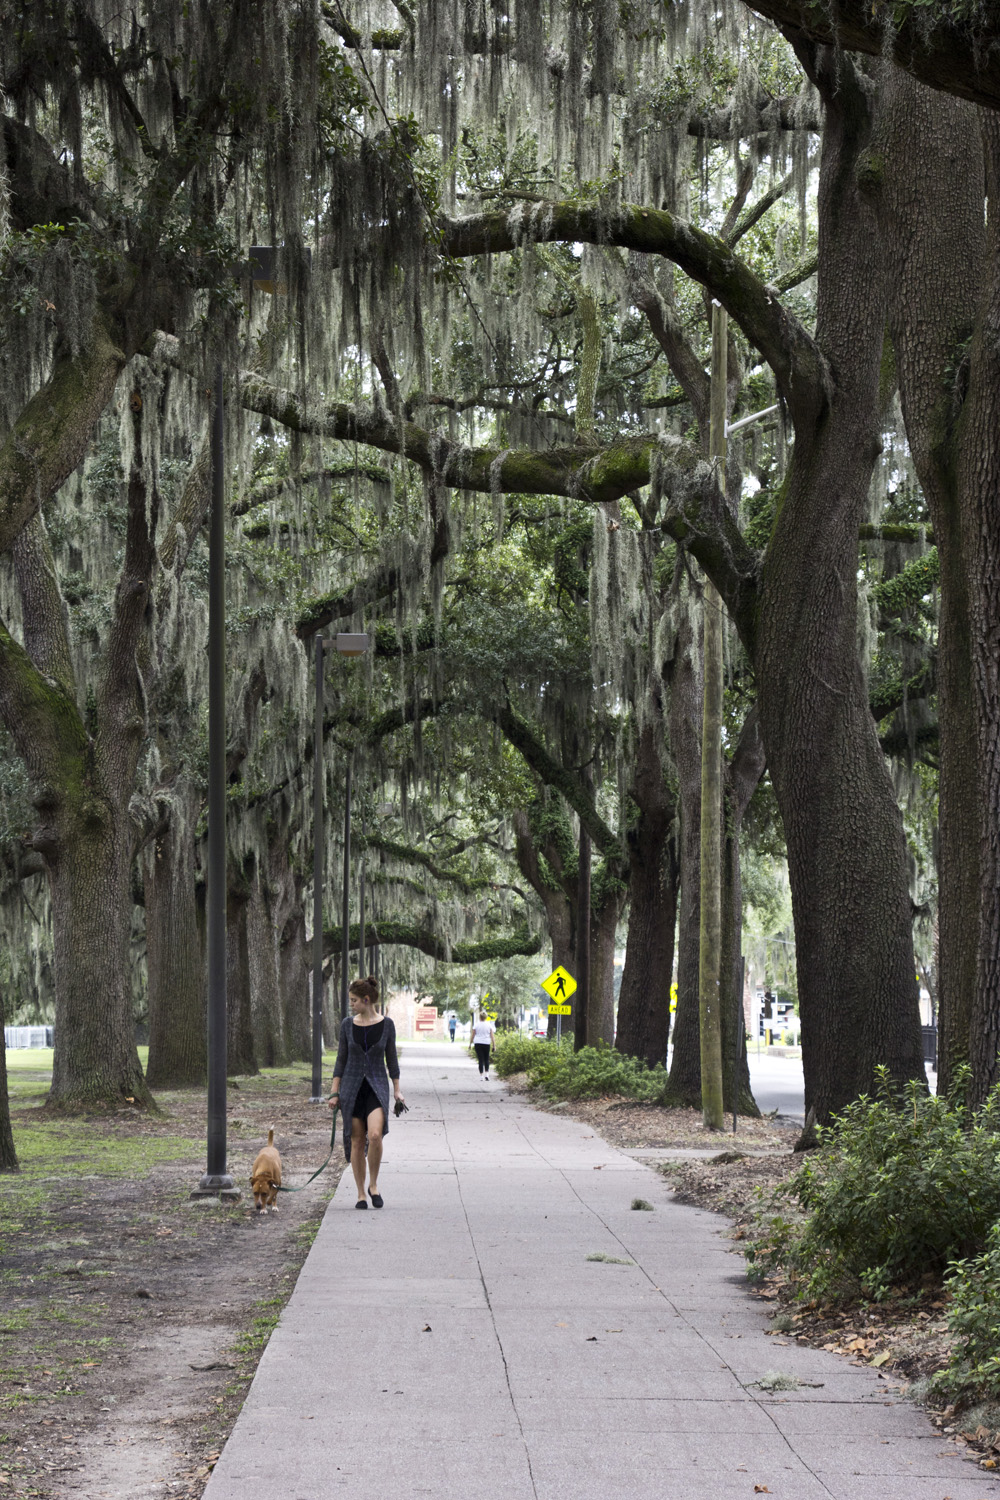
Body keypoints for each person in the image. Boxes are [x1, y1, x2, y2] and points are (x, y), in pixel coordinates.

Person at [327, 975, 404, 1208]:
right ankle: (361, 1193)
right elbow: (341, 1060)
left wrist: (397, 1090)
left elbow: (391, 1060)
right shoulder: (347, 1025)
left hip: (377, 1087)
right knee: (357, 1141)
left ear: (366, 1000)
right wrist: (334, 1092)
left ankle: (373, 1185)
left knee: (375, 1135)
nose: (351, 1004)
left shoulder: (387, 1025)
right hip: (351, 1089)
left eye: (354, 1000)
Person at [470, 1008, 495, 1079]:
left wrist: (470, 1043)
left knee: (480, 1059)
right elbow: (492, 1036)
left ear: (480, 1017)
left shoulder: (476, 1025)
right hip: (486, 1043)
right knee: (486, 1059)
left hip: (478, 1043)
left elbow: (473, 1035)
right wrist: (494, 1045)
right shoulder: (489, 1025)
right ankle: (487, 1074)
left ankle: (481, 1075)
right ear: (486, 1017)